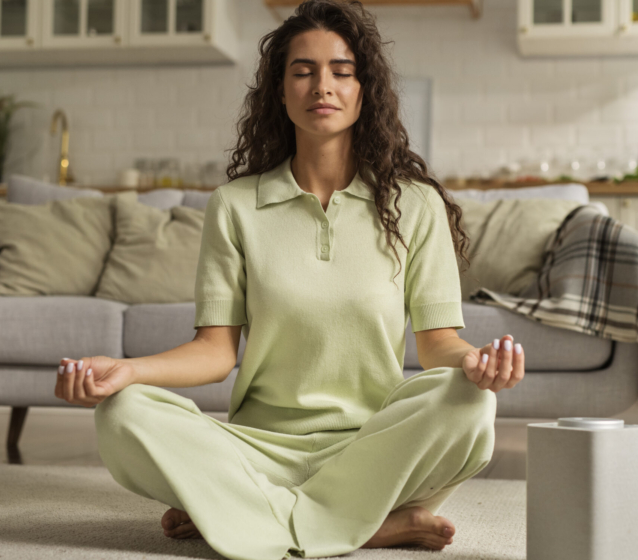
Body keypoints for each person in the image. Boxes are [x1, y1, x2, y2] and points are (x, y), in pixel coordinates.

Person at [53, 1, 526, 559]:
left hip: (373, 448)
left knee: (472, 404)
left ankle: (239, 511)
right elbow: (214, 352)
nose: (321, 85)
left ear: (363, 89)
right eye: (302, 71)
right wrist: (127, 371)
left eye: (341, 71)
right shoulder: (233, 206)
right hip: (257, 446)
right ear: (280, 91)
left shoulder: (414, 205)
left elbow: (437, 344)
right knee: (124, 413)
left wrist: (476, 365)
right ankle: (365, 524)